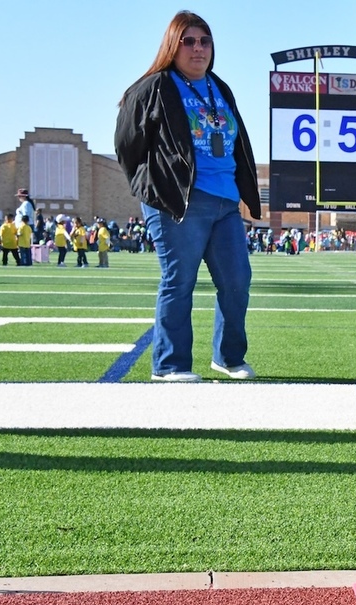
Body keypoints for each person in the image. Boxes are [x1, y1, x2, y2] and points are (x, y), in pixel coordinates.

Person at [115, 10, 261, 382]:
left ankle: (228, 357)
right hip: (178, 203)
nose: (198, 48)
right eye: (188, 41)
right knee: (179, 280)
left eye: (205, 41)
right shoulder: (153, 87)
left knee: (237, 278)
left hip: (225, 201)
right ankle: (170, 365)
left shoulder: (220, 87)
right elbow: (127, 146)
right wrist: (153, 188)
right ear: (172, 46)